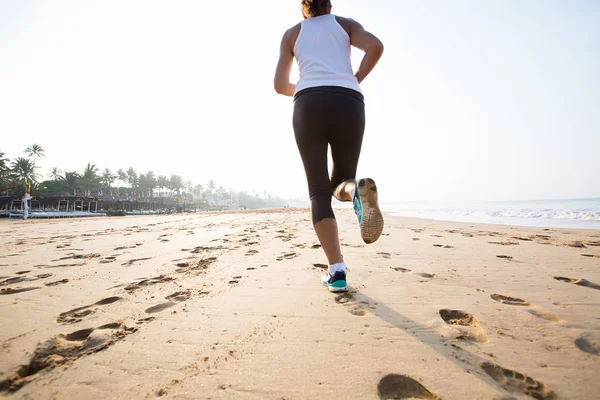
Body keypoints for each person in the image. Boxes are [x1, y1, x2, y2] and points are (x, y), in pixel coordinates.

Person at [274, 0, 385, 293]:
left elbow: (279, 84)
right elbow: (376, 47)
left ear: (303, 9)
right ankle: (356, 191)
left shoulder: (292, 34)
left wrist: (307, 86)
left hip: (308, 102)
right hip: (349, 99)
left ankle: (337, 272)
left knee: (318, 191)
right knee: (343, 180)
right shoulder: (346, 25)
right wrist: (355, 78)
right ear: (329, 4)